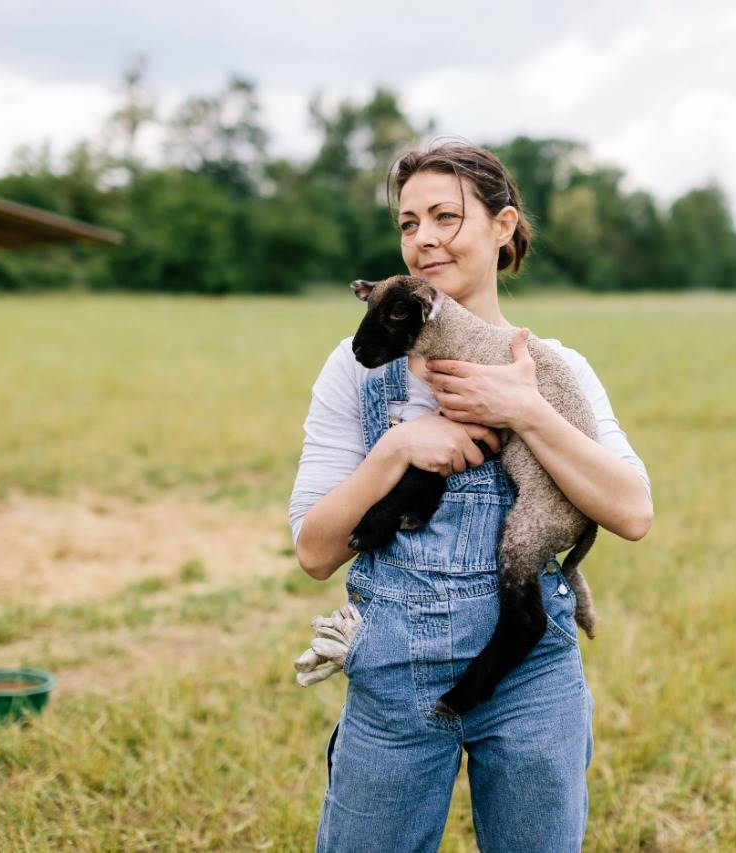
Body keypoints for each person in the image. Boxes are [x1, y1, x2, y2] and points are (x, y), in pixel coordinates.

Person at [288, 141, 653, 852]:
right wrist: (397, 448)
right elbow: (314, 550)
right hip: (395, 674)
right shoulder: (357, 369)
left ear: (503, 225)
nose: (423, 238)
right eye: (407, 222)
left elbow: (632, 511)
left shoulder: (555, 368)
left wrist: (526, 410)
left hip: (532, 677)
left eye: (445, 216)